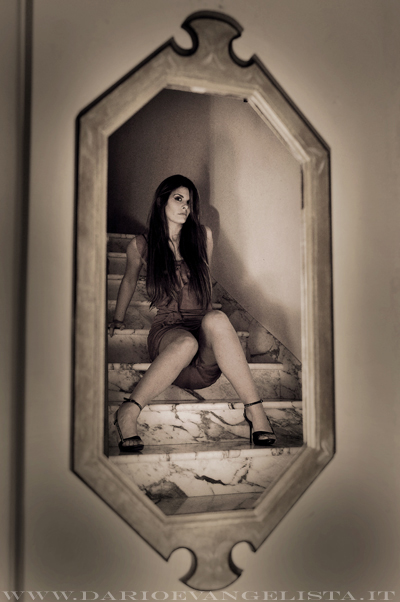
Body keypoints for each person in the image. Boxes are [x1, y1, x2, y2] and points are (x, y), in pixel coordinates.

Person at [108, 174, 276, 452]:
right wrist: (118, 318)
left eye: (189, 201)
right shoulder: (140, 245)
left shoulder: (202, 236)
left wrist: (210, 324)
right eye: (178, 199)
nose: (186, 206)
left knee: (217, 318)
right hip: (169, 338)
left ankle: (255, 410)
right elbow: (127, 281)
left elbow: (205, 281)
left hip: (203, 349)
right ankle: (129, 411)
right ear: (162, 201)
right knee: (187, 342)